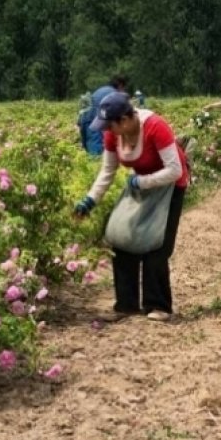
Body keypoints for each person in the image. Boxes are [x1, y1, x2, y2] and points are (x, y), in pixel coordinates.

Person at [73, 92, 190, 322]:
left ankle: (158, 306)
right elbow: (107, 172)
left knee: (156, 244)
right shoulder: (112, 136)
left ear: (125, 120)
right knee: (121, 236)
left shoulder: (156, 127)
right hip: (141, 184)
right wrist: (89, 201)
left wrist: (142, 181)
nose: (107, 130)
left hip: (170, 186)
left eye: (110, 125)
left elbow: (175, 169)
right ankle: (126, 305)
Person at [77, 75, 128, 155]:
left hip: (85, 117)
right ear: (120, 85)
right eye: (124, 88)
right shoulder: (113, 94)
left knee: (87, 145)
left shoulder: (101, 90)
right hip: (94, 119)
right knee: (97, 148)